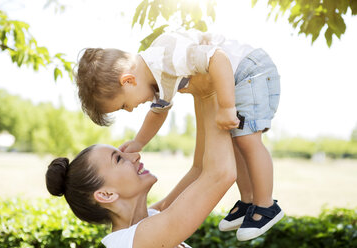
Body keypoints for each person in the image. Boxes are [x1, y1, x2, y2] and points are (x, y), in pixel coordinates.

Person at [75, 29, 283, 240]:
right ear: (106, 195)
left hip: (248, 71)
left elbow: (218, 58)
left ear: (128, 80)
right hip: (235, 79)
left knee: (246, 140)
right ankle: (250, 200)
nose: (129, 109)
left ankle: (264, 203)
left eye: (122, 105)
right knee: (239, 140)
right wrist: (139, 141)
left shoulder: (166, 59)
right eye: (118, 159)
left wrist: (224, 105)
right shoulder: (136, 238)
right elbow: (159, 115)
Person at [46, 89, 237, 248]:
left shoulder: (148, 220)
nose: (135, 155)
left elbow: (200, 169)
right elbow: (220, 174)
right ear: (106, 195)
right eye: (119, 159)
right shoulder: (131, 243)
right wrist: (211, 92)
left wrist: (199, 92)